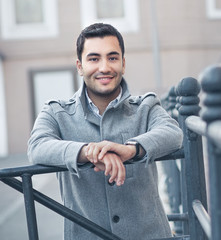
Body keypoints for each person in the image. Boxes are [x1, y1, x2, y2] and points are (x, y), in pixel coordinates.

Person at [27, 23, 183, 240]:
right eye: (93, 59)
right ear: (80, 66)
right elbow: (37, 146)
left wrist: (131, 150)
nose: (104, 67)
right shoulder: (55, 112)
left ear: (123, 63)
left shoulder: (145, 106)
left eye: (112, 57)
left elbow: (173, 133)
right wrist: (88, 152)